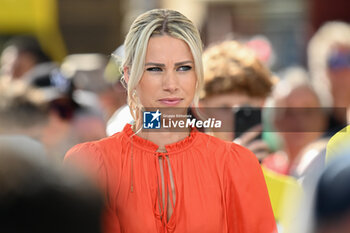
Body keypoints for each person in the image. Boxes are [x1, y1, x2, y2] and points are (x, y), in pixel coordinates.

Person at [64, 9, 276, 233]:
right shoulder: (89, 163)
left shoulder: (236, 164)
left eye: (183, 68)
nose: (171, 84)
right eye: (155, 69)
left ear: (198, 75)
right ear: (128, 75)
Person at [200, 40, 275, 161]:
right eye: (224, 107)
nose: (234, 118)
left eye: (245, 107)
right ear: (201, 108)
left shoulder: (282, 172)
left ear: (262, 104)